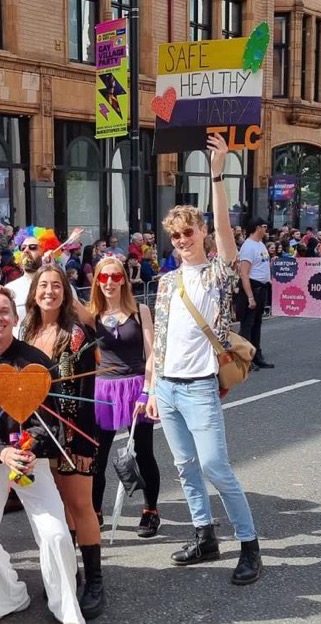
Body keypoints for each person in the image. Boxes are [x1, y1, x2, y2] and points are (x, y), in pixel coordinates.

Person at [144, 133, 262, 586]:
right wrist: (152, 388)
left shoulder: (217, 272)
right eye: (174, 236)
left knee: (215, 466)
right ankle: (204, 535)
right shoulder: (167, 282)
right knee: (185, 467)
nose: (181, 241)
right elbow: (160, 342)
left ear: (201, 234)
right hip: (169, 387)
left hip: (198, 387)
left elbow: (227, 232)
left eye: (187, 233)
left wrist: (216, 172)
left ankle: (249, 546)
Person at [0, 284, 88, 624]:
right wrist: (1, 450)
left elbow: (52, 415)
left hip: (31, 459)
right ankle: (4, 596)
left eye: (4, 312)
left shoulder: (35, 360)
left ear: (15, 318)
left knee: (56, 533)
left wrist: (31, 448)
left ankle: (66, 607)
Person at [21, 264, 106, 619]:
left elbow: (89, 391)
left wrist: (87, 447)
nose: (49, 291)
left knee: (80, 507)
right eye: (44, 285)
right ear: (34, 292)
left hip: (72, 436)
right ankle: (66, 572)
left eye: (56, 285)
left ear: (66, 292)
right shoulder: (26, 330)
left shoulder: (77, 335)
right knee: (57, 511)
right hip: (39, 436)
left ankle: (96, 580)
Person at [87, 256, 162, 537]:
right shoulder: (90, 313)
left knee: (143, 452)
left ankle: (150, 511)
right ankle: (94, 511)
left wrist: (148, 390)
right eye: (103, 278)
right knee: (97, 456)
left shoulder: (140, 310)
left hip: (135, 388)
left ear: (124, 280)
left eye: (115, 277)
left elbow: (152, 353)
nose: (109, 283)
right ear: (96, 281)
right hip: (103, 390)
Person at [236, 218, 274, 370]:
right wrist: (250, 296)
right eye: (264, 227)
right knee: (247, 324)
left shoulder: (260, 244)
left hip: (262, 287)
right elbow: (244, 273)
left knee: (257, 323)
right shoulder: (248, 247)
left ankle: (257, 355)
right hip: (252, 288)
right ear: (257, 228)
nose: (266, 230)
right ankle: (245, 358)